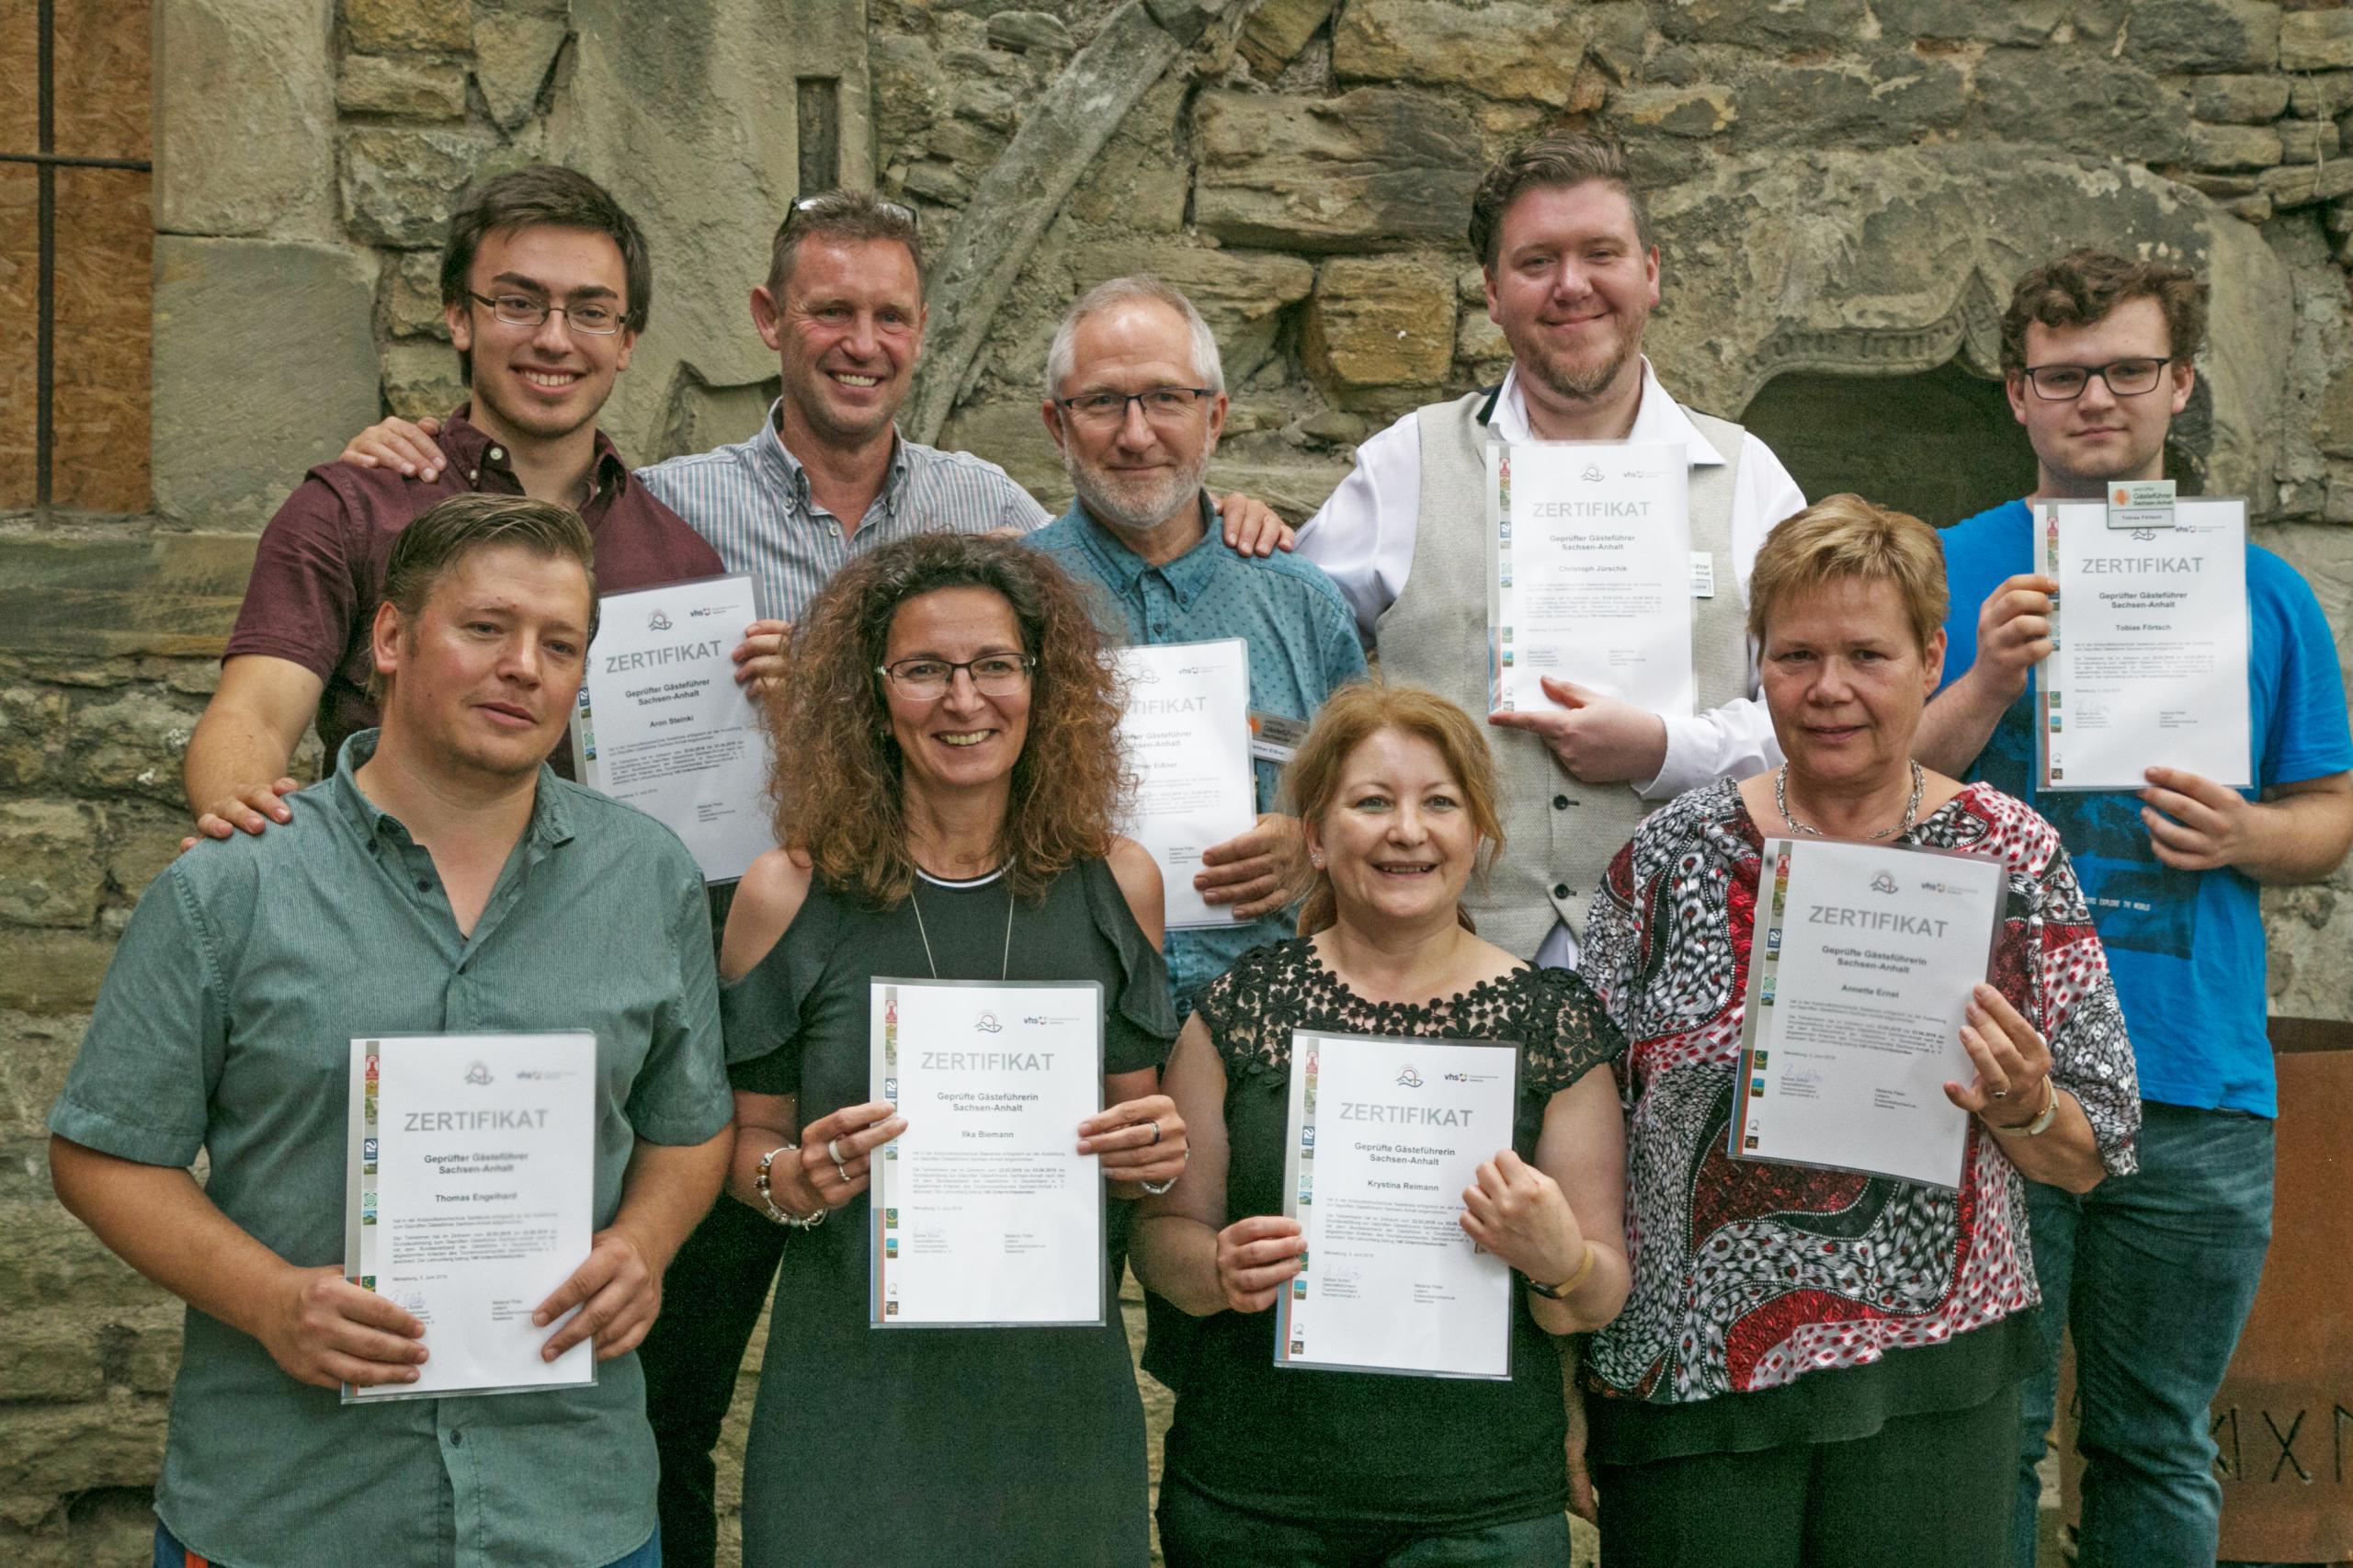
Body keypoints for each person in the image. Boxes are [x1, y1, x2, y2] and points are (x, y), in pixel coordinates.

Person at [336, 201, 1292, 1565]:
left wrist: (1234, 510)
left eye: (890, 314)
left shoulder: (993, 521)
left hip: (1035, 1318)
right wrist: (408, 452)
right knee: (672, 1401)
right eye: (830, 312)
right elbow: (515, 527)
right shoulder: (661, 510)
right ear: (769, 322)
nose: (963, 695)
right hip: (752, 1014)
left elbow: (1133, 532)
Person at [48, 494, 734, 1568]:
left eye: (559, 644)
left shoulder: (647, 876)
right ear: (390, 638)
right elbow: (101, 1151)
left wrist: (644, 1243)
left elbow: (690, 1123)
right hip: (290, 1504)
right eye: (485, 627)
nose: (524, 666)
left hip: (568, 1506)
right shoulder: (236, 883)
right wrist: (269, 1300)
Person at [1574, 494, 2141, 1567]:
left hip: (1930, 1378)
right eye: (1795, 654)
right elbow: (1580, 1125)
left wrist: (2023, 1104)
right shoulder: (1664, 859)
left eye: (1866, 653)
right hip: (1689, 1380)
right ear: (1759, 663)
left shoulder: (2009, 856)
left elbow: (2092, 1149)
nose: (1828, 688)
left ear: (1932, 658)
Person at [1914, 251, 2353, 1568]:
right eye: (2063, 374)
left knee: (2158, 1437)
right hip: (1985, 1071)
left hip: (2196, 1081)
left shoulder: (2265, 589)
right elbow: (1871, 794)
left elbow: (2330, 808)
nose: (2094, 396)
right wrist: (1987, 673)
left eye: (2126, 369)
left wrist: (2252, 832)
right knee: (1991, 1430)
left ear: (2181, 383)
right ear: (2016, 393)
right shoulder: (1944, 568)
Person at [717, 531, 1188, 1568]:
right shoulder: (785, 892)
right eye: (925, 669)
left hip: (1052, 1390)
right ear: (871, 694)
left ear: (1041, 682)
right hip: (852, 1389)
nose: (963, 699)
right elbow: (746, 1145)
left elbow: (1139, 1140)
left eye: (993, 665)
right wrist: (789, 1177)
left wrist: (1154, 1150)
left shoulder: (1120, 883)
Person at [1131, 682, 1631, 1568]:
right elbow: (1161, 1237)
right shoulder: (1241, 1009)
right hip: (1253, 1496)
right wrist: (1214, 1269)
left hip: (1478, 1511)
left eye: (1440, 803)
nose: (1408, 830)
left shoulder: (1552, 1024)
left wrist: (1563, 1262)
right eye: (1372, 802)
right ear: (1316, 838)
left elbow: (1597, 1295)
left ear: (1478, 837)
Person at [1294, 132, 1809, 966]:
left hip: (1691, 965)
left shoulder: (1750, 478)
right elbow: (1287, 639)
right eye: (1537, 262)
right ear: (1493, 293)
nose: (1573, 286)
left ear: (1650, 271)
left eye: (1600, 253)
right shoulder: (1407, 464)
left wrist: (1665, 750)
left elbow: (1820, 715)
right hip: (1444, 963)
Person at [184, 165, 728, 844]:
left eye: (590, 312)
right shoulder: (353, 509)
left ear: (626, 340)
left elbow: (702, 801)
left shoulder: (682, 562)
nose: (554, 339)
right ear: (458, 317)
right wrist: (245, 830)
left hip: (598, 933)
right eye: (518, 303)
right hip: (384, 920)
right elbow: (255, 717)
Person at [1029, 274, 1368, 1012]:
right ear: (1057, 425)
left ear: (1214, 416)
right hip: (1064, 1016)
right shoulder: (1007, 602)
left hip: (1271, 1027)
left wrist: (1314, 846)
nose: (1136, 433)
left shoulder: (1301, 603)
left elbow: (1373, 799)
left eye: (1164, 398)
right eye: (1102, 402)